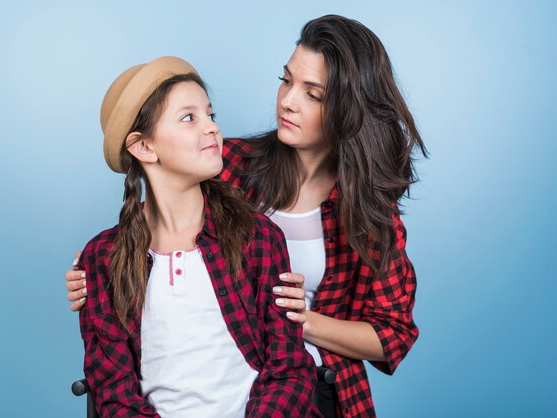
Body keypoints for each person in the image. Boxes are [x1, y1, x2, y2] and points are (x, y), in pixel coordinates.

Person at [67, 15, 425, 418]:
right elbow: (160, 213)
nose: (288, 101)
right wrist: (98, 273)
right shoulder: (226, 163)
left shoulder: (366, 210)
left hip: (312, 383)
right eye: (286, 80)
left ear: (348, 107)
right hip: (209, 379)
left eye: (313, 94)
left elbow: (392, 335)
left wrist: (297, 320)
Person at [77, 56, 318, 417]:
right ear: (144, 147)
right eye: (189, 118)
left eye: (211, 115)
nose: (212, 129)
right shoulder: (102, 258)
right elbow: (112, 390)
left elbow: (289, 370)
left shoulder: (258, 238)